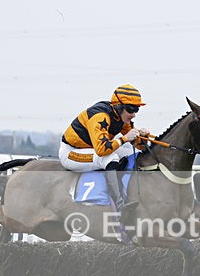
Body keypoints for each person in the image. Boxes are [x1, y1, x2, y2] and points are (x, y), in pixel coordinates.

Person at [59, 84, 150, 217]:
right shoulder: (100, 116)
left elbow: (139, 146)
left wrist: (143, 138)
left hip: (92, 149)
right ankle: (120, 205)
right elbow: (102, 150)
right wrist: (125, 138)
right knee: (110, 158)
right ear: (119, 106)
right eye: (131, 109)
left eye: (136, 109)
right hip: (71, 153)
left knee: (131, 154)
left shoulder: (121, 117)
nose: (134, 114)